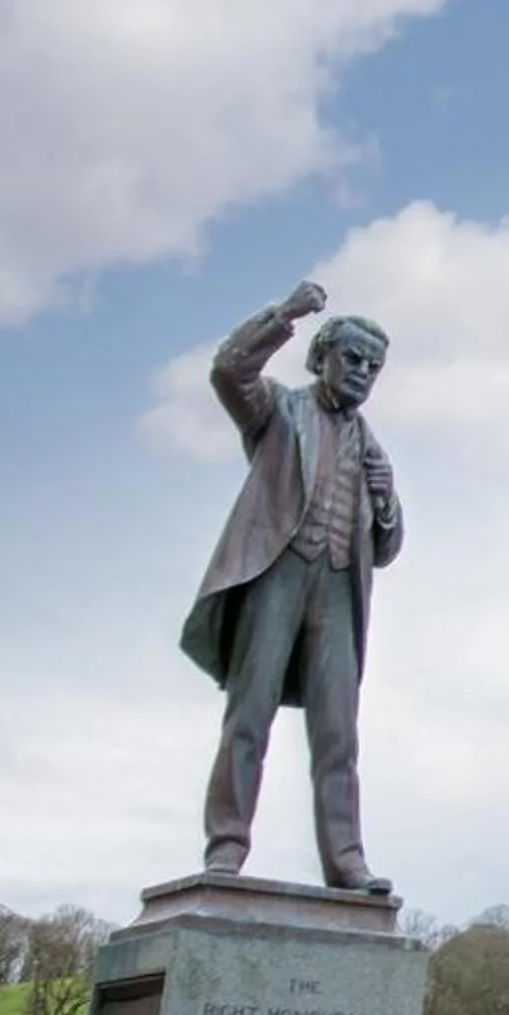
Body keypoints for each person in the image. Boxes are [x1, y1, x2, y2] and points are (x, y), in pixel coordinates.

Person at [178, 281, 403, 893]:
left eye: (372, 366)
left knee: (338, 737)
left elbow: (383, 550)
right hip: (277, 575)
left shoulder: (369, 445)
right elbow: (229, 369)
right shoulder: (279, 412)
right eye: (352, 358)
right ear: (321, 357)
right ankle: (226, 846)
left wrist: (385, 498)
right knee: (247, 718)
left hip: (336, 593)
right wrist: (287, 314)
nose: (361, 372)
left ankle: (346, 861)